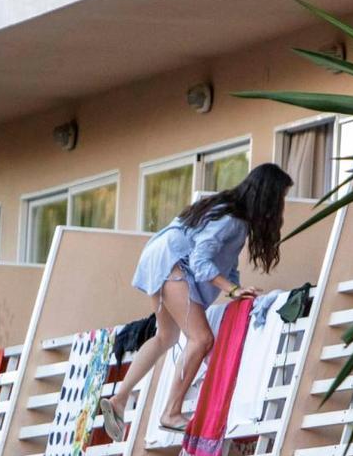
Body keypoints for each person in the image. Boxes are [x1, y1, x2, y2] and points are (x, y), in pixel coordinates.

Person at [100, 163, 293, 441]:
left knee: (165, 337)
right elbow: (202, 261)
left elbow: (224, 262)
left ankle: (118, 400)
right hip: (172, 261)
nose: (280, 206)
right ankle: (171, 412)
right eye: (280, 198)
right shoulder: (232, 220)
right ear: (268, 196)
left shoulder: (228, 210)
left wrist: (236, 288)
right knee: (201, 339)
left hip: (159, 256)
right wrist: (234, 290)